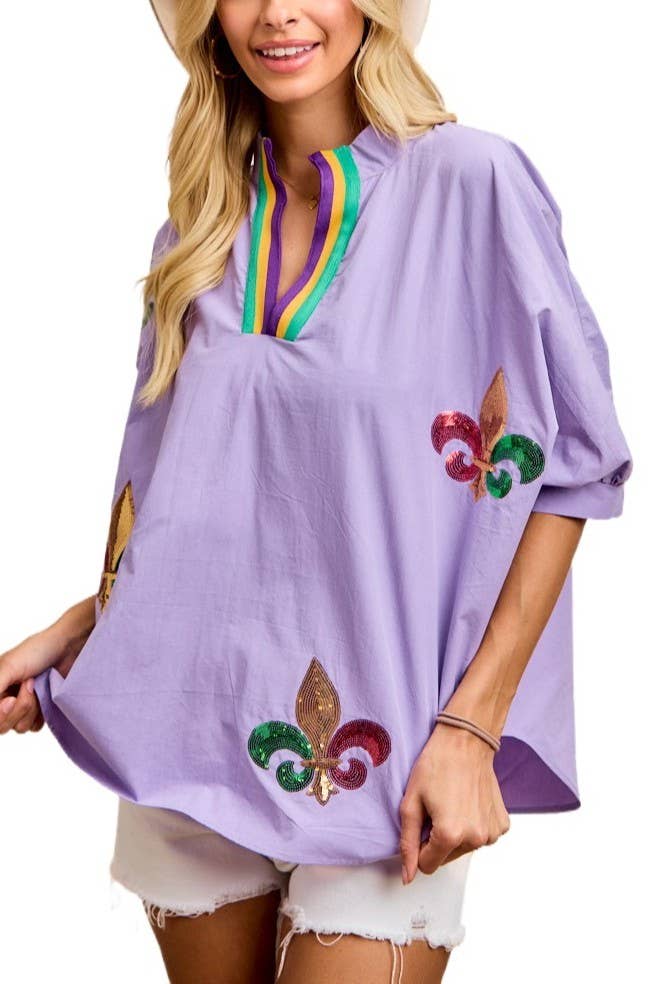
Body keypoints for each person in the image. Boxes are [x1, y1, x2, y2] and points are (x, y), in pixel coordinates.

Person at [0, 2, 634, 982]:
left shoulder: (471, 185)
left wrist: (471, 727)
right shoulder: (199, 227)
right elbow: (214, 504)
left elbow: (572, 466)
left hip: (391, 757)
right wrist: (81, 625)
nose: (278, 12)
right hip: (190, 732)